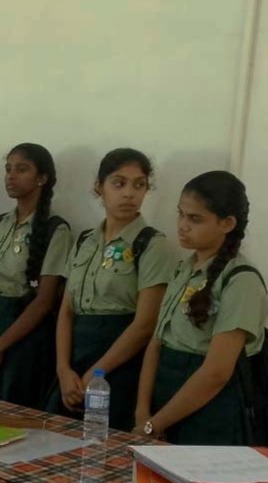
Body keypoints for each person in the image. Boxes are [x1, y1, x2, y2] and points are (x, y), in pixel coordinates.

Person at [134, 171, 267, 445]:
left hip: (209, 412)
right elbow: (157, 342)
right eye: (181, 214)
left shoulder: (241, 281)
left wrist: (154, 424)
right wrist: (143, 412)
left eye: (195, 219)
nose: (183, 225)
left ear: (227, 223)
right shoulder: (185, 269)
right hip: (162, 404)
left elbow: (216, 372)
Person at [45, 149, 172, 431]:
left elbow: (145, 324)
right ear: (99, 187)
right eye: (119, 183)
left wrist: (97, 373)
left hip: (120, 365)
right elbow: (66, 311)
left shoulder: (151, 244)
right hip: (75, 362)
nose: (129, 193)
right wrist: (63, 369)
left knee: (105, 443)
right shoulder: (85, 241)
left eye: (139, 185)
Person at [0, 143, 73, 409]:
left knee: (13, 415)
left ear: (42, 178)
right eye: (8, 169)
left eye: (22, 169)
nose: (11, 176)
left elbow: (44, 301)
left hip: (25, 339)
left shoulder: (55, 229)